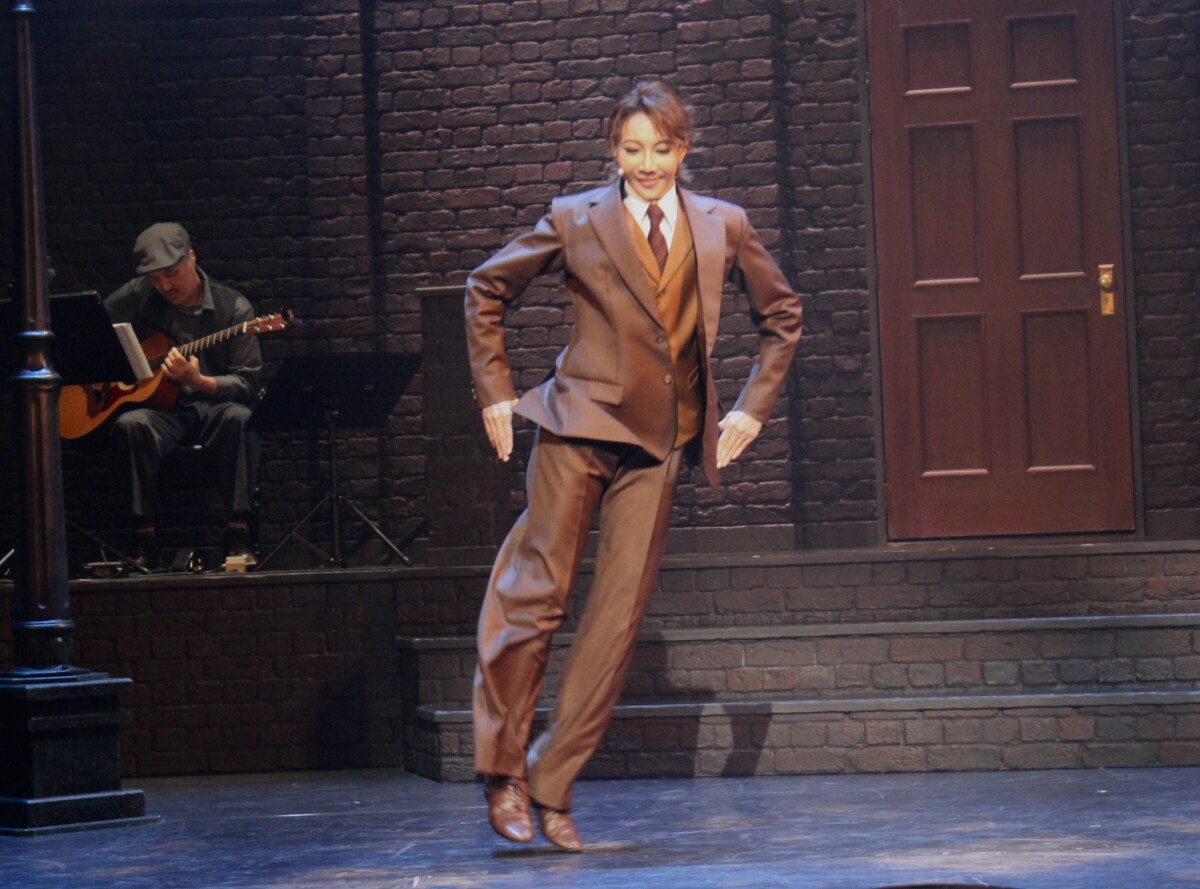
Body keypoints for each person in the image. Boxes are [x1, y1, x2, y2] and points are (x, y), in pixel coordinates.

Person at [464, 80, 804, 851]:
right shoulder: (574, 217)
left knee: (615, 621)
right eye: (632, 149)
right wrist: (496, 390)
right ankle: (503, 769)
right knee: (536, 595)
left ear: (683, 149)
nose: (647, 164)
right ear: (613, 151)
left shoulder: (723, 224)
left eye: (661, 149)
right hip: (575, 428)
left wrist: (750, 407)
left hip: (660, 445)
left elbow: (782, 314)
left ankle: (552, 782)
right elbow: (485, 288)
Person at [103, 222, 262, 570]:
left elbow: (247, 383)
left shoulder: (234, 308)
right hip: (164, 411)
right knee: (131, 424)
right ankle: (144, 540)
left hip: (215, 407)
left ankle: (238, 535)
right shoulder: (139, 295)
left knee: (241, 419)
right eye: (155, 279)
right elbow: (94, 325)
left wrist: (199, 381)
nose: (164, 286)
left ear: (191, 257)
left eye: (171, 274)